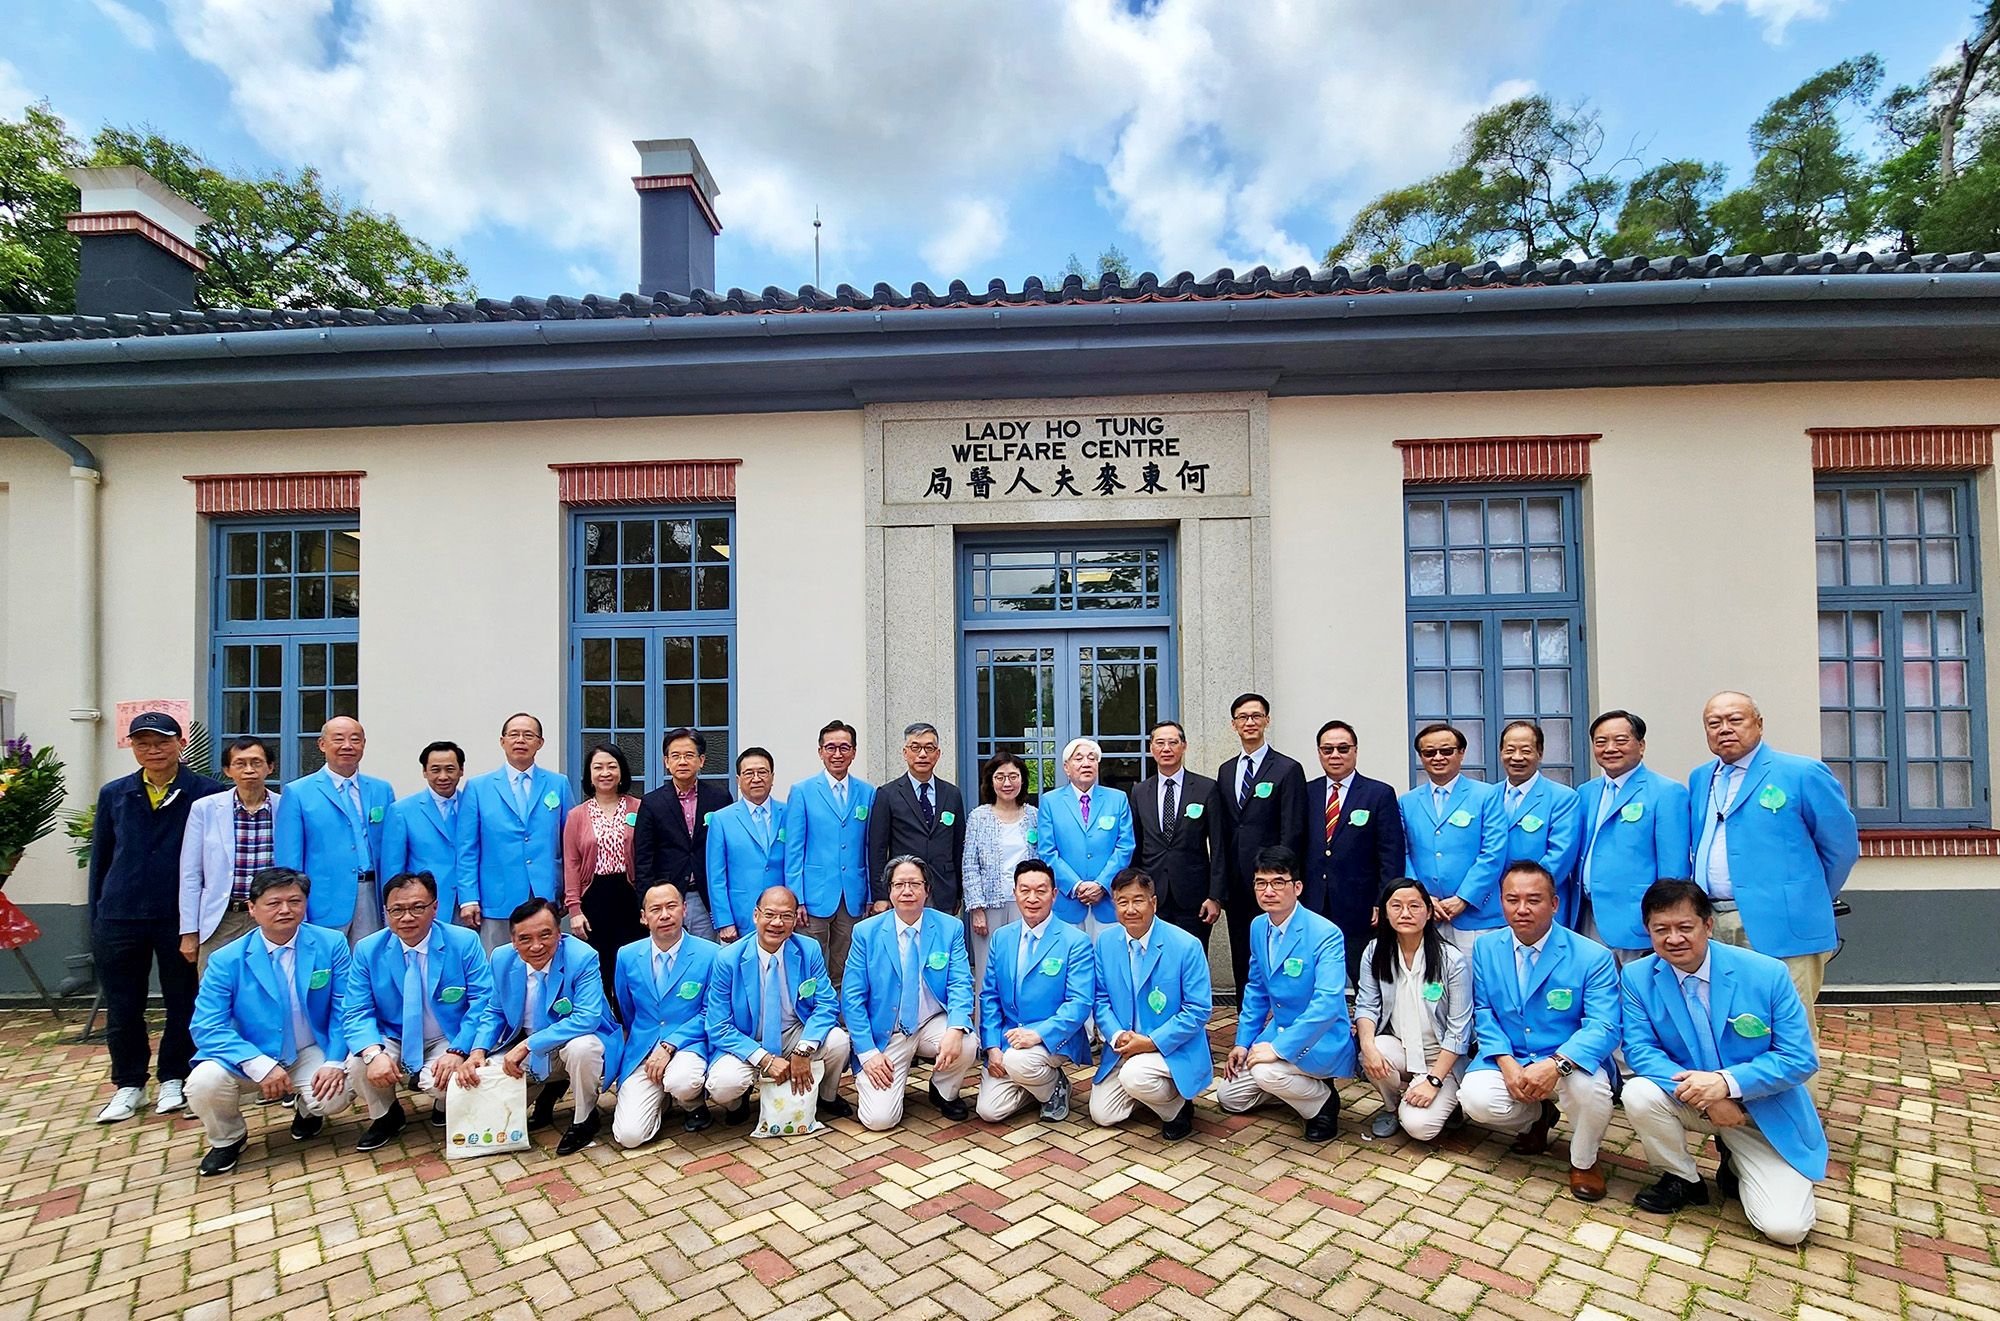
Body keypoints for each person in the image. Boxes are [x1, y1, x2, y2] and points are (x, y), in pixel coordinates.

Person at [1621, 880, 1825, 1245]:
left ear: (1708, 925)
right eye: (1661, 929)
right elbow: (1640, 1051)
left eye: (1685, 927)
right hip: (1690, 1101)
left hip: (1758, 1112)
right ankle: (1682, 1178)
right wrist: (1708, 1096)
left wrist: (1727, 1084)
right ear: (1648, 930)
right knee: (1638, 1092)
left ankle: (1736, 1161)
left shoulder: (1767, 973)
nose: (1674, 939)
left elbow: (1798, 1058)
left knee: (1786, 1229)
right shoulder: (1638, 977)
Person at [89, 710, 227, 1122]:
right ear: (132, 747)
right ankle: (129, 1083)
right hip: (121, 914)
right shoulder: (115, 793)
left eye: (162, 741)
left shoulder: (206, 793)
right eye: (143, 743)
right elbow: (101, 859)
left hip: (178, 916)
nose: (153, 750)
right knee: (123, 1003)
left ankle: (174, 1076)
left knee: (182, 999)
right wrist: (96, 915)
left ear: (181, 744)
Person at [1689, 691, 1859, 1018]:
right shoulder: (1701, 778)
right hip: (1714, 921)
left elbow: (1841, 847)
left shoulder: (1802, 773)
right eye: (1714, 723)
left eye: (1735, 720)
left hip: (1785, 924)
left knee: (1789, 1025)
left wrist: (1807, 898)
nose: (1724, 729)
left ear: (1759, 724)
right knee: (1732, 1020)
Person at [1462, 861, 1621, 1202]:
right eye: (1512, 899)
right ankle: (1537, 1117)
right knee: (1476, 1098)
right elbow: (1484, 1012)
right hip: (1513, 1053)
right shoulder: (1487, 948)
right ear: (1501, 902)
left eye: (1533, 900)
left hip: (1568, 1058)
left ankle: (1584, 1161)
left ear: (1554, 903)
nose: (1522, 909)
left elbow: (1604, 1026)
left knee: (1590, 1092)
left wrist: (1556, 1065)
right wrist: (1506, 1062)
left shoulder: (1593, 956)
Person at [184, 866, 354, 1175]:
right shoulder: (225, 960)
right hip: (247, 1056)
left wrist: (333, 1061)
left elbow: (344, 1008)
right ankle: (228, 1138)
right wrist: (258, 1064)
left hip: (308, 1049)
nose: (285, 910)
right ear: (252, 908)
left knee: (336, 1094)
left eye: (294, 901)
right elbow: (206, 1026)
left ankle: (308, 1108)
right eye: (273, 903)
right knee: (202, 1083)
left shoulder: (331, 944)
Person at [343, 871, 494, 1151]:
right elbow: (356, 1010)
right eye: (397, 910)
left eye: (417, 907)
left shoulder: (463, 942)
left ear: (435, 907)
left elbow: (483, 1001)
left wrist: (459, 1050)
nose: (407, 917)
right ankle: (386, 1114)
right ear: (386, 912)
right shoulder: (367, 950)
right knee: (358, 1063)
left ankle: (443, 1104)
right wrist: (374, 1054)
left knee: (448, 1082)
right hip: (393, 1035)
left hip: (446, 1036)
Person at [1215, 847, 1352, 1141]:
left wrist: (1278, 1049)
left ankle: (1322, 1104)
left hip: (1320, 1037)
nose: (1269, 891)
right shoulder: (1258, 926)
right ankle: (1296, 1087)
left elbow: (1327, 1004)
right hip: (1277, 1030)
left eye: (1278, 882)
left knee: (1266, 1072)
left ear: (1297, 887)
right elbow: (1256, 990)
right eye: (1261, 883)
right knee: (1230, 1097)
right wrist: (1242, 1043)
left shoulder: (1325, 933)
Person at [461, 898, 614, 1156]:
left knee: (582, 1048)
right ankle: (551, 1086)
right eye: (525, 939)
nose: (536, 946)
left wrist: (529, 1044)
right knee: (488, 1103)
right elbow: (495, 1011)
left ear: (559, 933)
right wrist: (478, 1050)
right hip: (527, 1047)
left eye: (545, 935)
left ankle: (585, 1118)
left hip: (571, 1042)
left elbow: (587, 1018)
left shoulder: (582, 957)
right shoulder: (501, 958)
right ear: (513, 940)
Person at [842, 856, 976, 1129]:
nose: (907, 891)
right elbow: (852, 998)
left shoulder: (950, 927)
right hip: (887, 1033)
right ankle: (890, 1080)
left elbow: (960, 982)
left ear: (927, 889)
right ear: (890, 890)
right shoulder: (865, 932)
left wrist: (955, 1029)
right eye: (899, 884)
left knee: (966, 1041)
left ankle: (944, 1091)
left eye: (914, 884)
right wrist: (867, 1053)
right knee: (879, 1120)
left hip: (930, 1022)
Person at [704, 885, 854, 1122]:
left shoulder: (808, 949)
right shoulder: (728, 959)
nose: (777, 923)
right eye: (770, 914)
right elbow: (718, 1025)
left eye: (786, 916)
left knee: (838, 1041)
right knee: (723, 1084)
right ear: (756, 915)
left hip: (794, 1032)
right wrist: (765, 1059)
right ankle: (738, 1103)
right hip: (749, 1038)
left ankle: (826, 1096)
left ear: (795, 920)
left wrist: (804, 1049)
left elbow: (826, 1004)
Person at [1090, 867, 1213, 1141]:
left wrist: (1150, 1042)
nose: (1130, 909)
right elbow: (1100, 999)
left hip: (1172, 1048)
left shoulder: (1186, 945)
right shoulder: (1105, 943)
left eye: (1138, 900)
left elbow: (1198, 1010)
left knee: (1135, 1076)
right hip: (1124, 1048)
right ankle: (1153, 1093)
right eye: (1122, 902)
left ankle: (1176, 1109)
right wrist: (1117, 1035)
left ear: (1153, 903)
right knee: (1103, 1114)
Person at [975, 859, 1095, 1123]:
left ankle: (1055, 1086)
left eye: (1041, 891)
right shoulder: (1001, 937)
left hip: (1054, 1036)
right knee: (989, 1111)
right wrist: (992, 1047)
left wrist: (1038, 1034)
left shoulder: (1075, 941)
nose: (1032, 898)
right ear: (1015, 893)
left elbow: (1079, 1003)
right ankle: (1034, 1085)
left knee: (1019, 1062)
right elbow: (990, 996)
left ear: (1054, 894)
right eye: (1025, 890)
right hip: (1009, 1038)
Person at [1353, 878, 1471, 1142]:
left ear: (1428, 912)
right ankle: (1391, 1107)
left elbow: (1459, 1030)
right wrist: (1368, 1048)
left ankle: (1445, 1098)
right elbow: (1367, 1004)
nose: (1405, 913)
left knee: (1420, 1127)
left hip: (1441, 1060)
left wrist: (1433, 1082)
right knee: (1373, 1050)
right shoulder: (1375, 952)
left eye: (1414, 906)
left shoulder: (1451, 960)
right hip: (1402, 1049)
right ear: (1385, 912)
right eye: (1396, 906)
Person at [1571, 711, 1691, 961]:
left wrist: (1664, 921)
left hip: (1636, 919)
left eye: (1620, 740)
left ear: (1641, 745)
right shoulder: (1586, 792)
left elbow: (1674, 869)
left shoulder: (1666, 792)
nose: (1610, 748)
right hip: (1587, 915)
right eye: (1601, 742)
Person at [610, 881, 721, 1146]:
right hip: (644, 1050)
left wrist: (670, 1044)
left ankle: (693, 1103)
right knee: (629, 1136)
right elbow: (626, 1008)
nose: (665, 915)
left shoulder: (711, 954)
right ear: (643, 917)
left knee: (682, 1080)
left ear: (684, 909)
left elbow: (711, 1012)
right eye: (655, 909)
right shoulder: (626, 956)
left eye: (671, 906)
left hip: (689, 1045)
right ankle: (660, 1100)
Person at [457, 714, 576, 951]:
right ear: (502, 741)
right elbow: (467, 848)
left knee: (545, 957)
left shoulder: (558, 784)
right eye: (514, 734)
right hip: (496, 895)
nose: (520, 740)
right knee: (498, 962)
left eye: (528, 735)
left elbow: (570, 843)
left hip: (544, 892)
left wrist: (568, 891)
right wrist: (468, 897)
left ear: (540, 743)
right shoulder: (478, 787)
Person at [1217, 693, 1308, 997]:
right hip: (1237, 882)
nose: (1250, 722)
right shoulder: (1226, 770)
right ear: (1234, 725)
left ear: (1267, 720)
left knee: (1280, 953)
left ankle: (1282, 1014)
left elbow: (1292, 829)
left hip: (1273, 881)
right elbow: (1226, 829)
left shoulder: (1287, 768)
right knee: (1242, 954)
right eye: (1243, 717)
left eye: (1256, 716)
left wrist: (1282, 877)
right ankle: (1246, 1016)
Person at [272, 715, 395, 942]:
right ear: (322, 744)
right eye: (338, 739)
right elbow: (289, 860)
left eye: (355, 739)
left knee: (369, 960)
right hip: (322, 900)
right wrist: (295, 906)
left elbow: (391, 849)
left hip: (373, 895)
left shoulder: (381, 790)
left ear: (363, 744)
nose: (347, 746)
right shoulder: (298, 792)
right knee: (323, 961)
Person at [1300, 720, 1405, 984]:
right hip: (1313, 904)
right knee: (1313, 979)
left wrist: (1383, 900)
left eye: (1343, 748)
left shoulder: (1378, 793)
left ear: (1355, 750)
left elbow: (1390, 853)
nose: (1335, 755)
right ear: (1319, 753)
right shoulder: (1306, 792)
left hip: (1361, 908)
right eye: (1328, 749)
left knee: (1366, 980)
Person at [1398, 723, 1508, 955]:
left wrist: (1464, 898)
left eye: (1446, 751)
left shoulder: (1486, 795)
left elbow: (1493, 853)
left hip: (1477, 915)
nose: (1438, 757)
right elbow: (1403, 853)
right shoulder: (1407, 802)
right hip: (1427, 915)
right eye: (1429, 752)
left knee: (1476, 977)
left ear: (1461, 753)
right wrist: (1421, 897)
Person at [783, 720, 875, 988]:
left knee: (846, 966)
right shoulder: (802, 791)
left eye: (844, 747)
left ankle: (842, 1009)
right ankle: (811, 1009)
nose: (837, 754)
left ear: (854, 752)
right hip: (813, 896)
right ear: (820, 751)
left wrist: (871, 894)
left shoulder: (867, 792)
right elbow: (794, 849)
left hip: (853, 895)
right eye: (831, 747)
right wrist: (796, 898)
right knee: (810, 963)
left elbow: (869, 847)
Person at [179, 734, 282, 972]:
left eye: (256, 762)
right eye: (240, 763)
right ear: (227, 770)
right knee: (216, 985)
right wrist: (189, 931)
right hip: (222, 918)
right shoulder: (205, 809)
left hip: (272, 915)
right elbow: (190, 874)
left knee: (271, 983)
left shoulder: (285, 806)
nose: (249, 770)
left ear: (270, 767)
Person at [1130, 721, 1225, 947]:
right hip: (1153, 894)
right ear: (1151, 748)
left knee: (1193, 955)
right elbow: (1136, 845)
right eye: (1160, 743)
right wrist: (1135, 891)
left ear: (1184, 746)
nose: (1166, 749)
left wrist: (1215, 896)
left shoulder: (1206, 788)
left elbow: (1219, 846)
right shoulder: (1140, 791)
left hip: (1195, 896)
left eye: (1173, 742)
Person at [633, 727, 731, 942]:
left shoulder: (720, 798)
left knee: (706, 954)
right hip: (667, 898)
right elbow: (643, 859)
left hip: (705, 897)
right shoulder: (651, 803)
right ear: (666, 762)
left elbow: (729, 852)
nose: (682, 761)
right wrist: (647, 903)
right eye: (675, 756)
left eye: (689, 755)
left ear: (701, 760)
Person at [563, 742, 642, 1001]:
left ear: (621, 772)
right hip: (594, 897)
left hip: (631, 895)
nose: (605, 773)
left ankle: (631, 1021)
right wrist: (574, 910)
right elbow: (572, 863)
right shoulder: (576, 815)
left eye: (611, 766)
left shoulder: (639, 808)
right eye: (598, 767)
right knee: (599, 967)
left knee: (632, 966)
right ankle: (602, 1021)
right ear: (589, 774)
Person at [866, 722, 969, 916]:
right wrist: (880, 895)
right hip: (904, 889)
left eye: (929, 748)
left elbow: (958, 846)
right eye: (915, 748)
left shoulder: (952, 794)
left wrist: (958, 893)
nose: (922, 754)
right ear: (905, 753)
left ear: (937, 754)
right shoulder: (887, 794)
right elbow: (877, 849)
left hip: (943, 890)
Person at [1035, 737, 1135, 935]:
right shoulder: (1050, 802)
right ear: (1066, 767)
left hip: (1107, 902)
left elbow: (1125, 847)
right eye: (1078, 758)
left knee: (1108, 953)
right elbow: (1047, 851)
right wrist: (1076, 886)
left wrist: (1101, 885)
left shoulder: (1117, 799)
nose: (1086, 763)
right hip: (1067, 902)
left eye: (1092, 758)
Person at [960, 751, 1039, 992]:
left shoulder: (1034, 816)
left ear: (1022, 780)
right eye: (1000, 777)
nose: (1007, 783)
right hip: (989, 906)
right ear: (990, 781)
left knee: (1024, 966)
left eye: (1013, 776)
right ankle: (986, 1018)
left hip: (1026, 902)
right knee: (988, 971)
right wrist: (976, 909)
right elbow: (970, 864)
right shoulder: (978, 817)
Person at [1496, 720, 1582, 922]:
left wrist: (1522, 893)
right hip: (1494, 905)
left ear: (1540, 753)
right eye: (1510, 750)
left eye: (1526, 750)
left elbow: (1560, 856)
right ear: (1501, 753)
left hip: (1540, 904)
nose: (1517, 757)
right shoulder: (1489, 796)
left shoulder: (1563, 798)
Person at [380, 741, 471, 926]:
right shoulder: (402, 811)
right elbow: (393, 868)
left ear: (461, 770)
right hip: (424, 905)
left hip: (470, 903)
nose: (443, 776)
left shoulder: (474, 805)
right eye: (435, 770)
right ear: (424, 771)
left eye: (450, 769)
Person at [706, 747, 786, 945]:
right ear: (738, 779)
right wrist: (724, 921)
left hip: (783, 915)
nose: (756, 779)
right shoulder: (722, 819)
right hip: (741, 915)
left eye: (762, 772)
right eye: (749, 773)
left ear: (772, 777)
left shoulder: (789, 813)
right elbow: (716, 876)